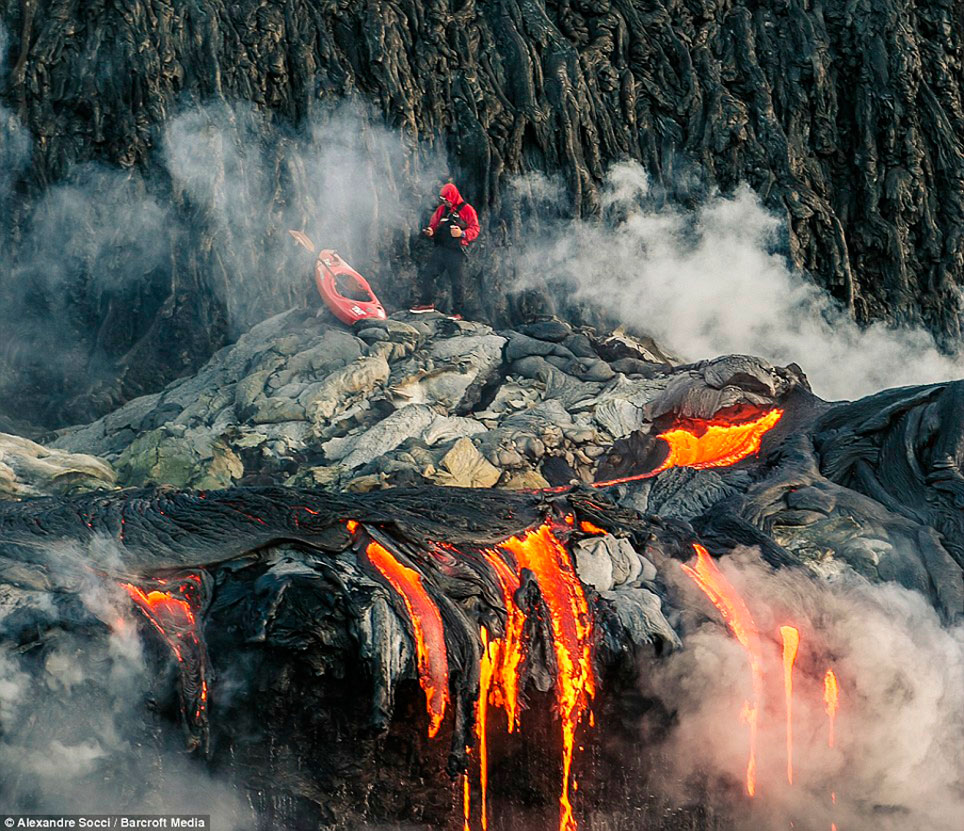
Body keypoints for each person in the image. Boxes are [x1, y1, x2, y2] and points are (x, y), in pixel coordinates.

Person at [412, 182, 480, 314]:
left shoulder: (467, 210)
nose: (445, 202)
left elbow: (475, 229)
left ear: (453, 196)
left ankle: (458, 312)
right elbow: (434, 224)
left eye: (447, 199)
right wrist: (431, 231)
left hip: (456, 251)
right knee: (428, 274)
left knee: (457, 283)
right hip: (441, 249)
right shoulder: (442, 210)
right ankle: (426, 303)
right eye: (443, 200)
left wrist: (462, 233)